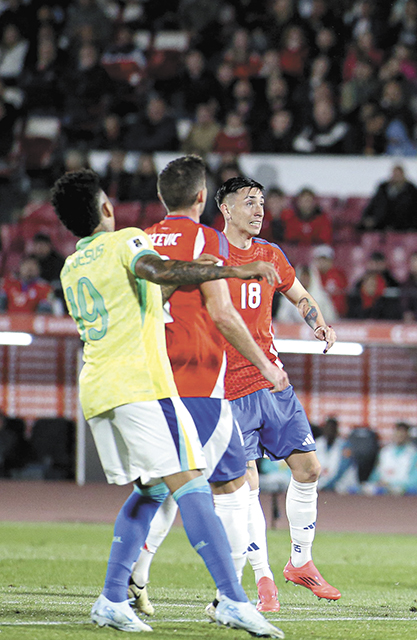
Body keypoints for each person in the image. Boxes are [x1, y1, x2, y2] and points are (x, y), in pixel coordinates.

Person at [49, 169, 282, 638]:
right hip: (140, 388)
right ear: (107, 210)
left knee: (153, 489)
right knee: (194, 485)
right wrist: (234, 268)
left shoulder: (73, 264)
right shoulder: (127, 242)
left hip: (97, 390)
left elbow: (155, 292)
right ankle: (233, 600)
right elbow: (158, 271)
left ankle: (115, 597)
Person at [129, 155, 290, 616]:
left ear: (163, 198)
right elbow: (221, 313)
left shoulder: (139, 241)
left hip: (151, 381)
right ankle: (230, 597)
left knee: (159, 483)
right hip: (199, 381)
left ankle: (131, 578)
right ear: (203, 198)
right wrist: (266, 365)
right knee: (235, 488)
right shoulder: (207, 239)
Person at [217, 176, 342, 605]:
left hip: (273, 382)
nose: (258, 210)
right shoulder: (209, 257)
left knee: (308, 469)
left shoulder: (271, 254)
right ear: (226, 209)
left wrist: (318, 322)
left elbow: (299, 294)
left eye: (262, 203)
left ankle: (300, 562)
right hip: (229, 389)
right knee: (246, 485)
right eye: (249, 202)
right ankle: (262, 578)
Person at [365, 423, 417, 495]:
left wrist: (391, 484)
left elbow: (415, 481)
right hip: (383, 492)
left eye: (402, 433)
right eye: (397, 432)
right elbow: (375, 475)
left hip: (404, 493)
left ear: (408, 435)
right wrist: (376, 483)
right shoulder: (385, 452)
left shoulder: (415, 453)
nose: (399, 436)